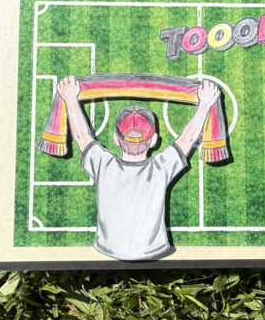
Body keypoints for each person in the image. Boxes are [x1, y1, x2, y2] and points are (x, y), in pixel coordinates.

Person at [57, 75, 220, 261]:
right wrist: (205, 104)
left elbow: (81, 135)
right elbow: (187, 139)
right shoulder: (160, 168)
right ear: (153, 140)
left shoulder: (103, 165)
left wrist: (70, 99)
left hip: (107, 248)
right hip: (153, 250)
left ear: (116, 139)